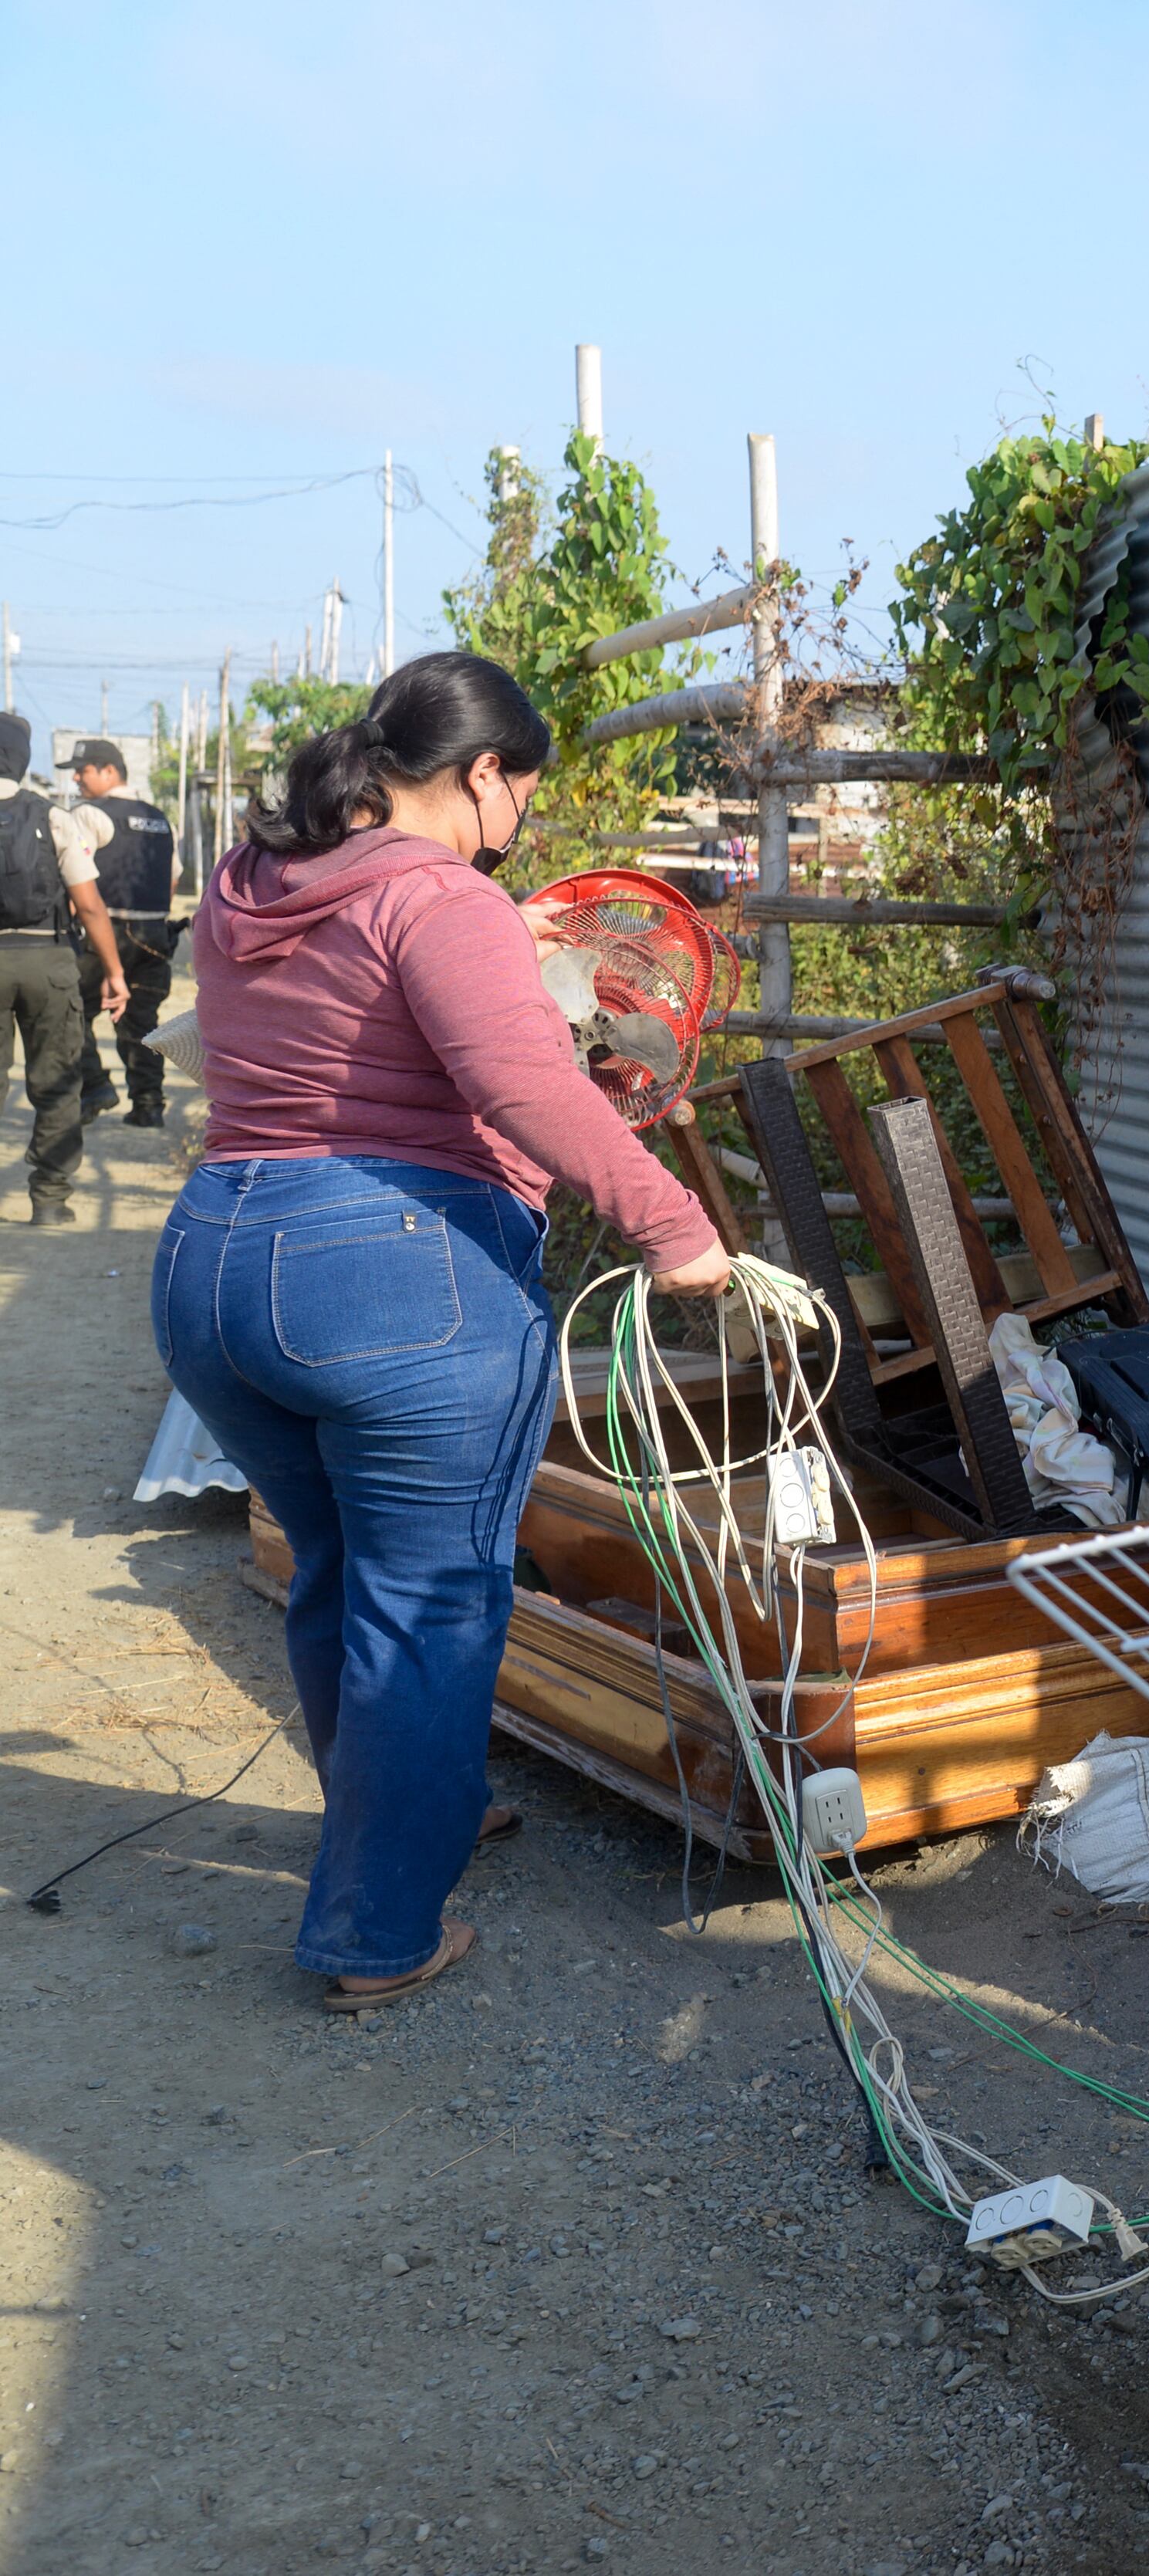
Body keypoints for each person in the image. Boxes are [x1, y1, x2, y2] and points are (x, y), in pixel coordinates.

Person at [157, 651, 729, 2011]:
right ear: (485, 773)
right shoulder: (442, 895)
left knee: (339, 1570)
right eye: (520, 787)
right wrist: (674, 1225)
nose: (521, 814)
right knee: (429, 1604)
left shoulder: (251, 880)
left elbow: (348, 1048)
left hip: (213, 1265)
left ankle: (419, 1811)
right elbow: (524, 1087)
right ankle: (374, 1936)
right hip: (391, 1271)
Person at [0, 710, 131, 1222]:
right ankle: (50, 1199)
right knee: (56, 1080)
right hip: (47, 960)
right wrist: (114, 971)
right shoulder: (53, 816)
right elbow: (91, 904)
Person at [64, 736, 181, 1127]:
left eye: (83, 770)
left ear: (109, 771)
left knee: (69, 1011)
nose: (77, 778)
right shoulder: (161, 818)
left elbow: (75, 881)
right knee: (142, 1020)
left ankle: (95, 1085)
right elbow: (172, 880)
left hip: (105, 931)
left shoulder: (88, 814)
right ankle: (148, 1105)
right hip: (155, 935)